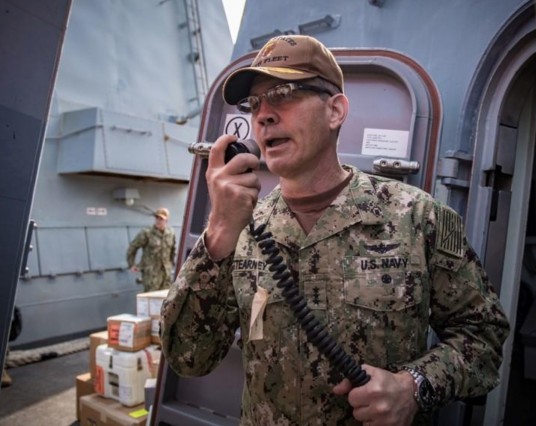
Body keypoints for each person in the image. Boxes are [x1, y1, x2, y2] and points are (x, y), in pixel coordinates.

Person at [161, 35, 510, 425]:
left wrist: (413, 387)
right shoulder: (239, 228)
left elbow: (484, 336)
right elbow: (188, 358)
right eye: (254, 103)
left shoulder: (418, 216)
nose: (263, 116)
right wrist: (220, 230)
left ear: (335, 111)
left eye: (283, 94)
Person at [127, 207, 177, 292]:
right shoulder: (147, 233)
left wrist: (172, 264)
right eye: (157, 218)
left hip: (166, 274)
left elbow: (173, 250)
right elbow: (133, 247)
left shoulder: (171, 233)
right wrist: (131, 264)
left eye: (161, 219)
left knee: (166, 297)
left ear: (166, 220)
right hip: (151, 275)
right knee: (151, 297)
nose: (158, 220)